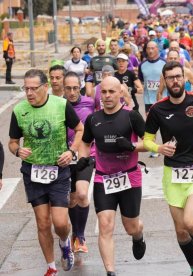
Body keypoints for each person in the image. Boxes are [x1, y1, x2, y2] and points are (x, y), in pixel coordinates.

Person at [143, 61, 193, 276]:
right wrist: (158, 147)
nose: (175, 81)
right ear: (165, 81)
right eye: (170, 78)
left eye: (178, 76)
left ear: (184, 79)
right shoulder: (158, 109)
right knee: (181, 232)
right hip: (173, 174)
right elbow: (147, 139)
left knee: (191, 221)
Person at [8, 69, 84, 276]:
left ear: (45, 87)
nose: (29, 93)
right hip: (33, 171)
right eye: (26, 88)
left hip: (58, 169)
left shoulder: (61, 105)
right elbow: (12, 142)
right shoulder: (19, 110)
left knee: (60, 223)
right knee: (42, 222)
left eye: (34, 88)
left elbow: (79, 129)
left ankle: (64, 241)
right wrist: (17, 150)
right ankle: (51, 267)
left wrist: (71, 151)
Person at [78, 76, 147, 276]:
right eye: (104, 92)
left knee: (131, 226)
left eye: (111, 92)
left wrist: (133, 146)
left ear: (120, 93)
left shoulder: (131, 116)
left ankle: (138, 235)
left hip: (129, 177)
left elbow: (150, 143)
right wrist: (83, 159)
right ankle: (110, 272)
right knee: (105, 225)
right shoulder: (93, 119)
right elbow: (85, 142)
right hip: (103, 178)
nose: (107, 96)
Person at [64, 72, 95, 254]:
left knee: (82, 195)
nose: (72, 92)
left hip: (86, 156)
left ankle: (81, 236)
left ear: (81, 86)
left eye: (76, 88)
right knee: (71, 198)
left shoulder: (90, 103)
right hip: (67, 158)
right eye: (68, 88)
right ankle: (75, 234)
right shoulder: (59, 105)